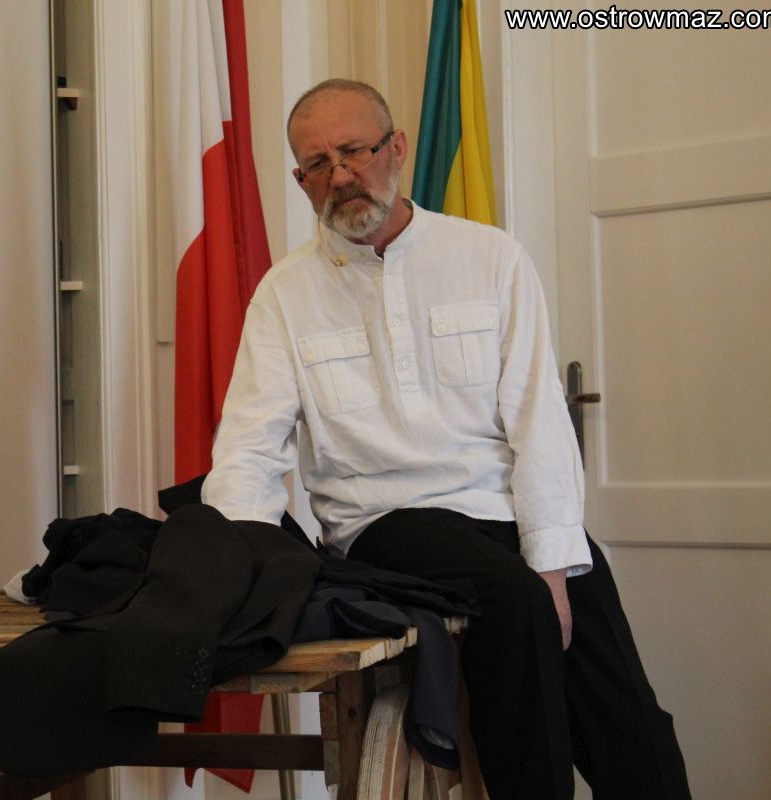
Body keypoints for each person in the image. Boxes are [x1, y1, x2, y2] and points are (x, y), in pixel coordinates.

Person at [201, 79, 691, 800]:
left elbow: (537, 418)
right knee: (517, 602)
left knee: (620, 698)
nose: (340, 176)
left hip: (502, 510)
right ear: (300, 181)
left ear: (396, 148)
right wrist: (228, 565)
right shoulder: (283, 294)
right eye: (317, 165)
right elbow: (249, 444)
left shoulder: (491, 258)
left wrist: (555, 565)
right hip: (385, 523)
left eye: (354, 152)